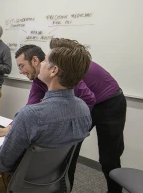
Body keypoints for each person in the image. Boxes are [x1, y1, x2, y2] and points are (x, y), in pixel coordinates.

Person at [0, 46, 92, 193]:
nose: (41, 63)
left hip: (11, 182)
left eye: (45, 61)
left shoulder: (30, 115)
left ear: (54, 71)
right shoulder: (84, 110)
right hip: (52, 181)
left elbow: (1, 164)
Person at [48, 38, 126, 193]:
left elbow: (83, 99)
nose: (48, 56)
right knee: (70, 148)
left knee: (108, 158)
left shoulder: (72, 67)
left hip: (111, 103)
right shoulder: (62, 68)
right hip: (92, 103)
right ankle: (65, 189)